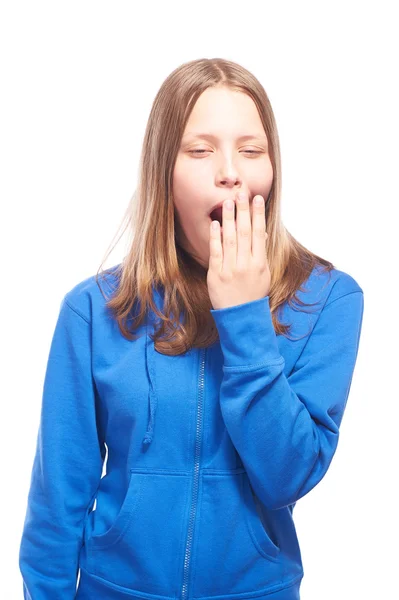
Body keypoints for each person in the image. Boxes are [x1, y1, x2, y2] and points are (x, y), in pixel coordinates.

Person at [18, 58, 364, 600]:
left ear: (272, 171)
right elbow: (57, 501)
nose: (229, 171)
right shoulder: (92, 311)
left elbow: (287, 477)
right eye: (200, 150)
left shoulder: (328, 299)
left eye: (250, 150)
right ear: (165, 173)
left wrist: (244, 319)